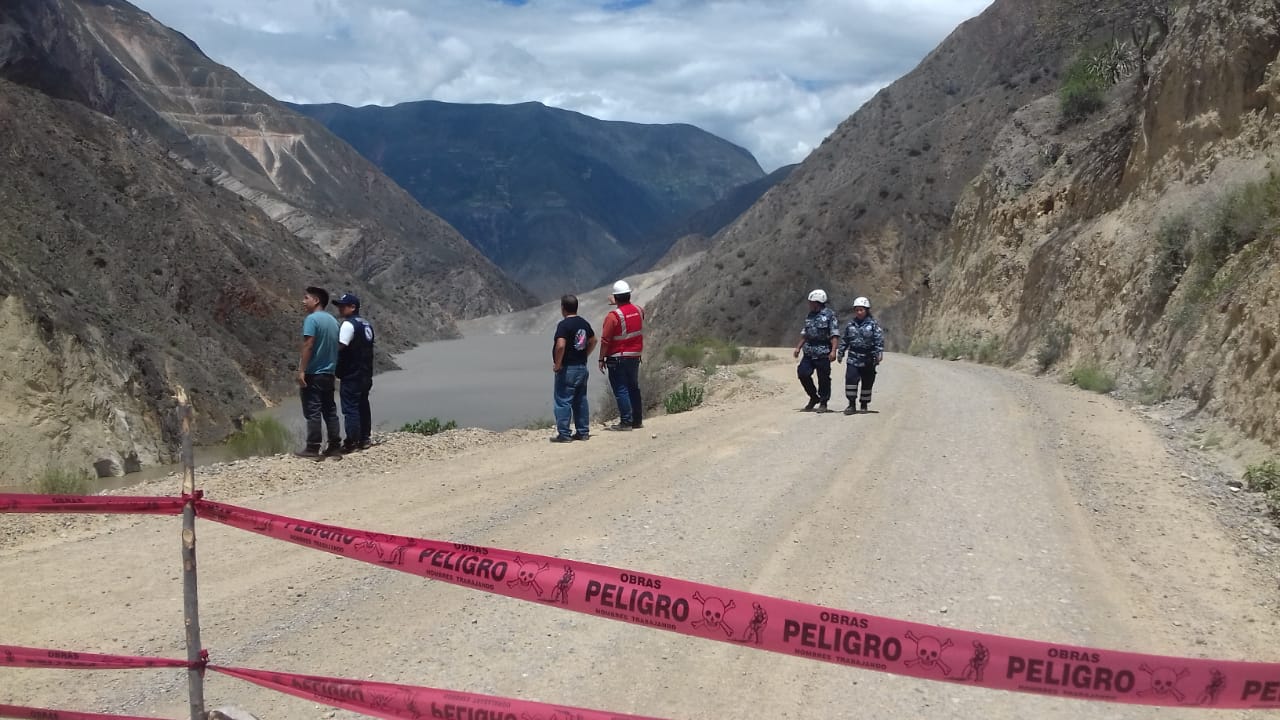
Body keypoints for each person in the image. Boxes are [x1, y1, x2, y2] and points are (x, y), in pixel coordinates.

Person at [295, 286, 343, 458]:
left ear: (316, 301)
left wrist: (301, 371)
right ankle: (335, 446)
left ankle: (312, 448)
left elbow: (308, 344)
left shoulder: (312, 319)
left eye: (306, 298)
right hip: (329, 373)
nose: (303, 301)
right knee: (330, 410)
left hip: (314, 373)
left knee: (313, 410)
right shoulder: (333, 321)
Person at [598, 279, 644, 430]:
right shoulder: (639, 310)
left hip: (617, 357)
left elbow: (605, 340)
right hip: (635, 356)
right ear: (629, 295)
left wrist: (601, 358)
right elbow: (629, 315)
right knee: (633, 387)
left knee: (621, 389)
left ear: (616, 297)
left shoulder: (612, 317)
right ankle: (637, 420)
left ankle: (626, 422)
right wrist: (619, 303)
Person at [550, 294, 597, 443]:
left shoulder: (563, 325)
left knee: (563, 401)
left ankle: (564, 434)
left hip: (567, 369)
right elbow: (594, 340)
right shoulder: (584, 323)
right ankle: (583, 432)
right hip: (582, 367)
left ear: (563, 308)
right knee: (581, 400)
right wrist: (584, 355)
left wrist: (558, 364)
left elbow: (561, 346)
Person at [334, 292, 376, 452]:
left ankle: (352, 441)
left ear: (353, 307)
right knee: (363, 405)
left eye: (343, 306)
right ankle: (365, 438)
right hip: (366, 373)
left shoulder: (348, 325)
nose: (340, 309)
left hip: (352, 374)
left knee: (350, 408)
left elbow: (340, 347)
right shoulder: (366, 324)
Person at [793, 289, 839, 412]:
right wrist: (798, 347)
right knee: (803, 373)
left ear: (818, 302)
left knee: (823, 378)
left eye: (811, 302)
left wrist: (833, 351)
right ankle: (814, 397)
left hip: (823, 352)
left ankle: (823, 402)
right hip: (809, 351)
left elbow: (834, 334)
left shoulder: (830, 315)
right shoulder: (810, 315)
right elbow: (805, 333)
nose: (809, 304)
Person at [837, 296, 885, 414]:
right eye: (857, 310)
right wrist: (841, 352)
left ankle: (864, 404)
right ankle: (851, 404)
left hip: (868, 357)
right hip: (853, 357)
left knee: (867, 381)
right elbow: (845, 339)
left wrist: (879, 352)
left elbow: (878, 339)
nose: (859, 312)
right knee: (851, 379)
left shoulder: (873, 324)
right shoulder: (850, 325)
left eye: (861, 310)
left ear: (866, 310)